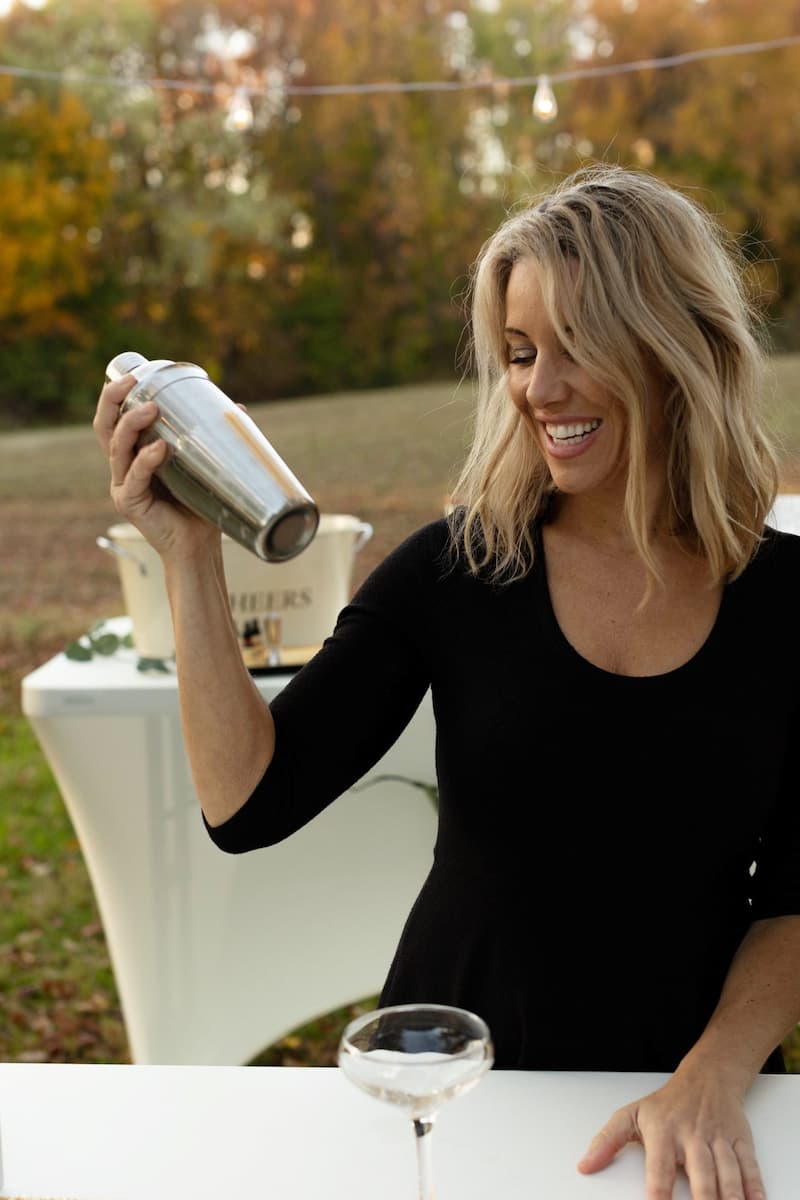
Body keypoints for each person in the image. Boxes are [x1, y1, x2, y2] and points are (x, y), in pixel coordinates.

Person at [94, 164, 800, 1200]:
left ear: (672, 345)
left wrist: (709, 1077)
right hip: (458, 1093)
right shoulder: (455, 571)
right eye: (518, 353)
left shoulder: (786, 602)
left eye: (575, 347)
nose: (538, 390)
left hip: (687, 1108)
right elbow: (247, 803)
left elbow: (791, 894)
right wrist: (189, 557)